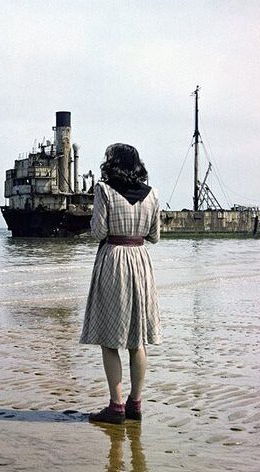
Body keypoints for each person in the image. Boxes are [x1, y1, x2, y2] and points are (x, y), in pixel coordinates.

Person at [80, 143, 161, 424]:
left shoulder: (104, 190)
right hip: (140, 260)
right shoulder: (152, 194)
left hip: (114, 260)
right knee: (137, 339)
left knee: (110, 338)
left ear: (112, 164)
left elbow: (98, 232)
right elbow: (154, 236)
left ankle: (116, 406)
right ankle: (135, 404)